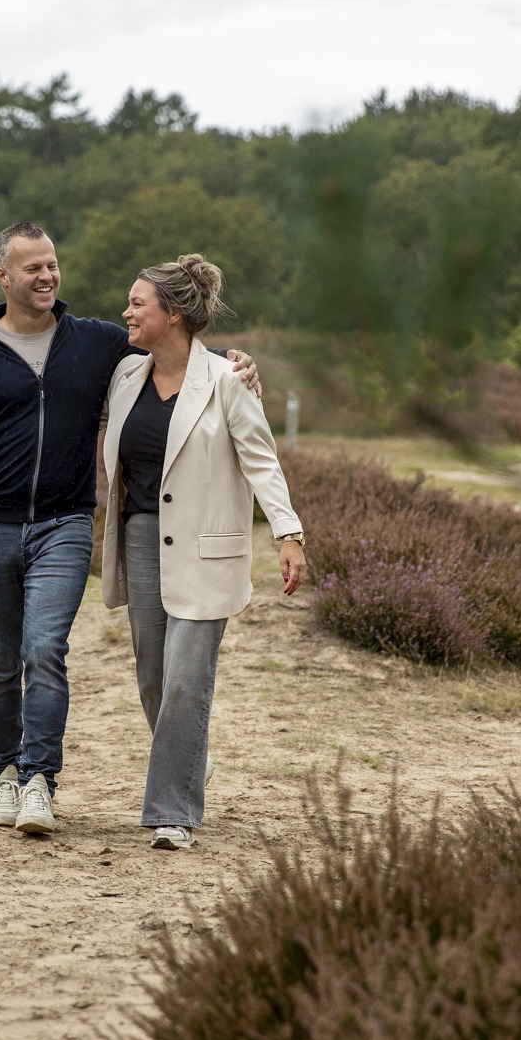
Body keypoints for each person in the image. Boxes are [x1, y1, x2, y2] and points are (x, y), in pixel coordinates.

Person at [0, 223, 259, 836]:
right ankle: (5, 772)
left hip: (65, 525)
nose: (47, 276)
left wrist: (236, 367)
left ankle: (40, 781)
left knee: (45, 651)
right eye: (32, 268)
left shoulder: (97, 343)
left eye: (52, 264)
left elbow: (178, 355)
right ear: (3, 277)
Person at [101, 253, 306, 850]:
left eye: (137, 303)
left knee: (188, 679)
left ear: (173, 314)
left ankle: (173, 813)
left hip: (206, 548)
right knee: (152, 680)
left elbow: (262, 459)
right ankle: (191, 761)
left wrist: (287, 532)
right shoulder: (124, 376)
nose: (127, 312)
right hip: (141, 538)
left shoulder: (227, 381)